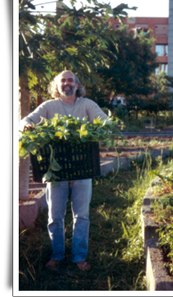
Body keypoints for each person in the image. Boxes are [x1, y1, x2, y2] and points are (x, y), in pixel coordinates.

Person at [21, 70, 109, 271]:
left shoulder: (87, 105)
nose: (67, 83)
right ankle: (57, 255)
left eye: (71, 80)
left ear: (77, 85)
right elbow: (27, 120)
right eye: (63, 80)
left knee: (82, 215)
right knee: (55, 216)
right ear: (57, 86)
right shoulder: (49, 106)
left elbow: (105, 121)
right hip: (56, 171)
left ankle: (79, 256)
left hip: (82, 168)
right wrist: (27, 125)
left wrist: (104, 127)